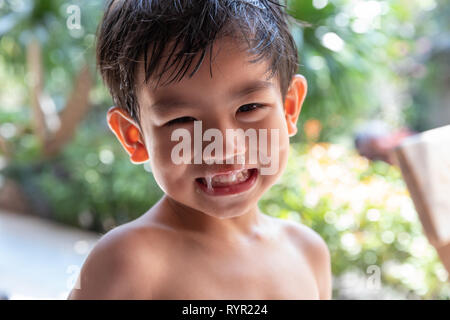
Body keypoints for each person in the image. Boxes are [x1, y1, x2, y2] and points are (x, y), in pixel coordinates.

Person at [68, 0, 331, 300]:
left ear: (289, 109)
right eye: (182, 120)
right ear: (135, 137)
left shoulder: (308, 254)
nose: (224, 148)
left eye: (249, 107)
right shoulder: (129, 262)